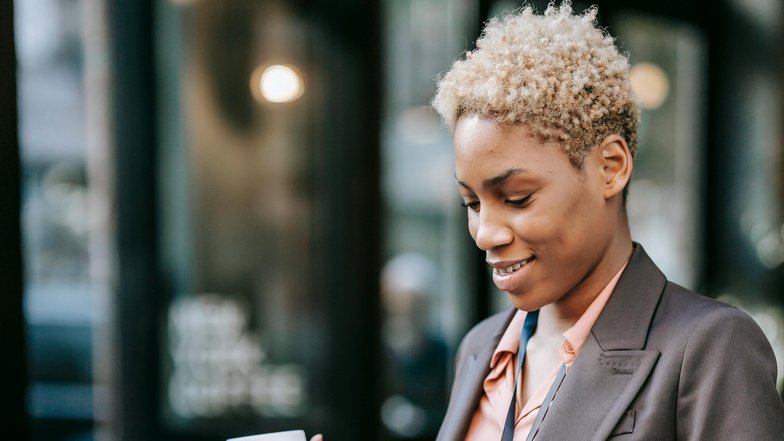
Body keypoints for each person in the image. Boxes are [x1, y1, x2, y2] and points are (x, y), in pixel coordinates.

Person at [428, 2, 784, 441]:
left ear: (610, 167)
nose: (486, 234)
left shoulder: (710, 349)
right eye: (472, 203)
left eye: (517, 198)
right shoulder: (480, 349)